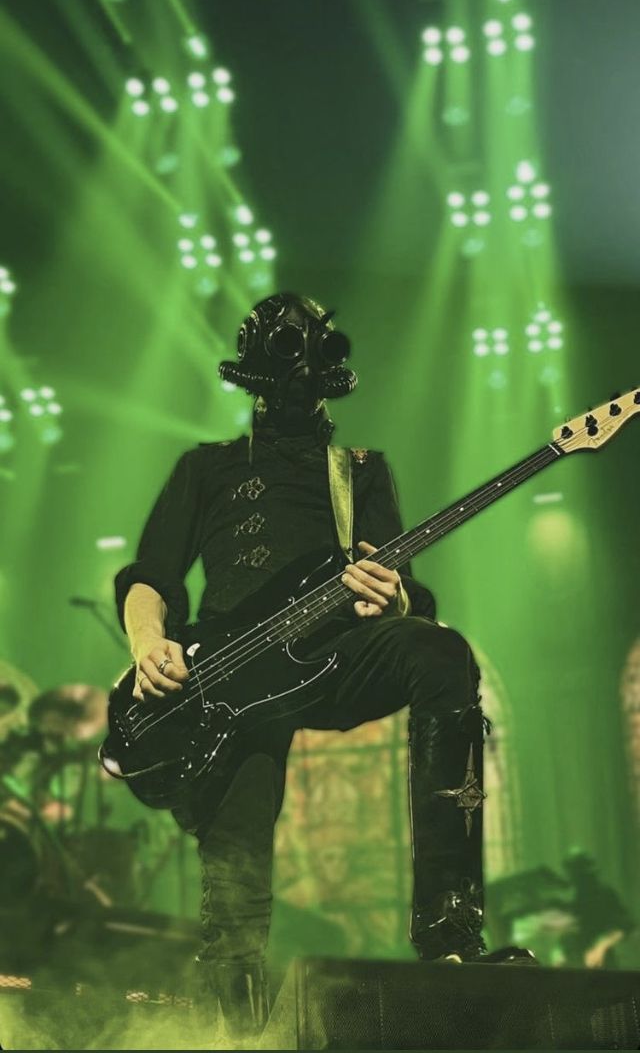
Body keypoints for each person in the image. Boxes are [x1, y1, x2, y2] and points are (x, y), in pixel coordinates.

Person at [114, 293, 533, 1041]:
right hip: (227, 684)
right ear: (251, 382)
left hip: (329, 655)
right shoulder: (205, 469)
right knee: (238, 858)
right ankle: (232, 1026)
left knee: (441, 652)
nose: (289, 394)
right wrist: (149, 645)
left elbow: (394, 579)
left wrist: (391, 592)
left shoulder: (360, 471)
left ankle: (449, 935)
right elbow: (151, 576)